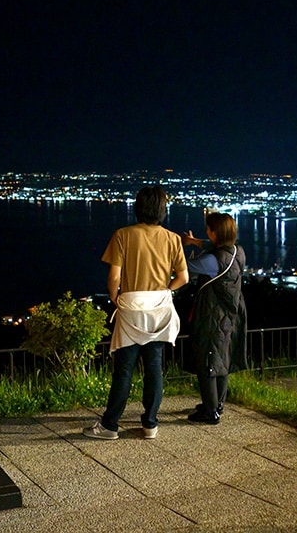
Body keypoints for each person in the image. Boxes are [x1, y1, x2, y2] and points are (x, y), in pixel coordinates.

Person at [83, 186, 188, 440]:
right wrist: (166, 289)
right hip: (159, 309)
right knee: (154, 366)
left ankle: (110, 425)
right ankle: (150, 424)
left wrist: (114, 297)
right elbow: (183, 277)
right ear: (162, 210)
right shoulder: (173, 239)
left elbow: (114, 276)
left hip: (131, 307)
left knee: (124, 368)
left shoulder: (123, 235)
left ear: (139, 207)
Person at [181, 212, 248, 425]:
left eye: (208, 229)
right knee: (222, 360)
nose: (206, 233)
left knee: (207, 363)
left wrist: (172, 250)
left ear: (215, 232)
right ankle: (217, 404)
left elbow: (185, 267)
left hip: (212, 316)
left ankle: (210, 412)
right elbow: (212, 247)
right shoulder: (237, 252)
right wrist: (194, 242)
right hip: (232, 315)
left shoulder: (212, 260)